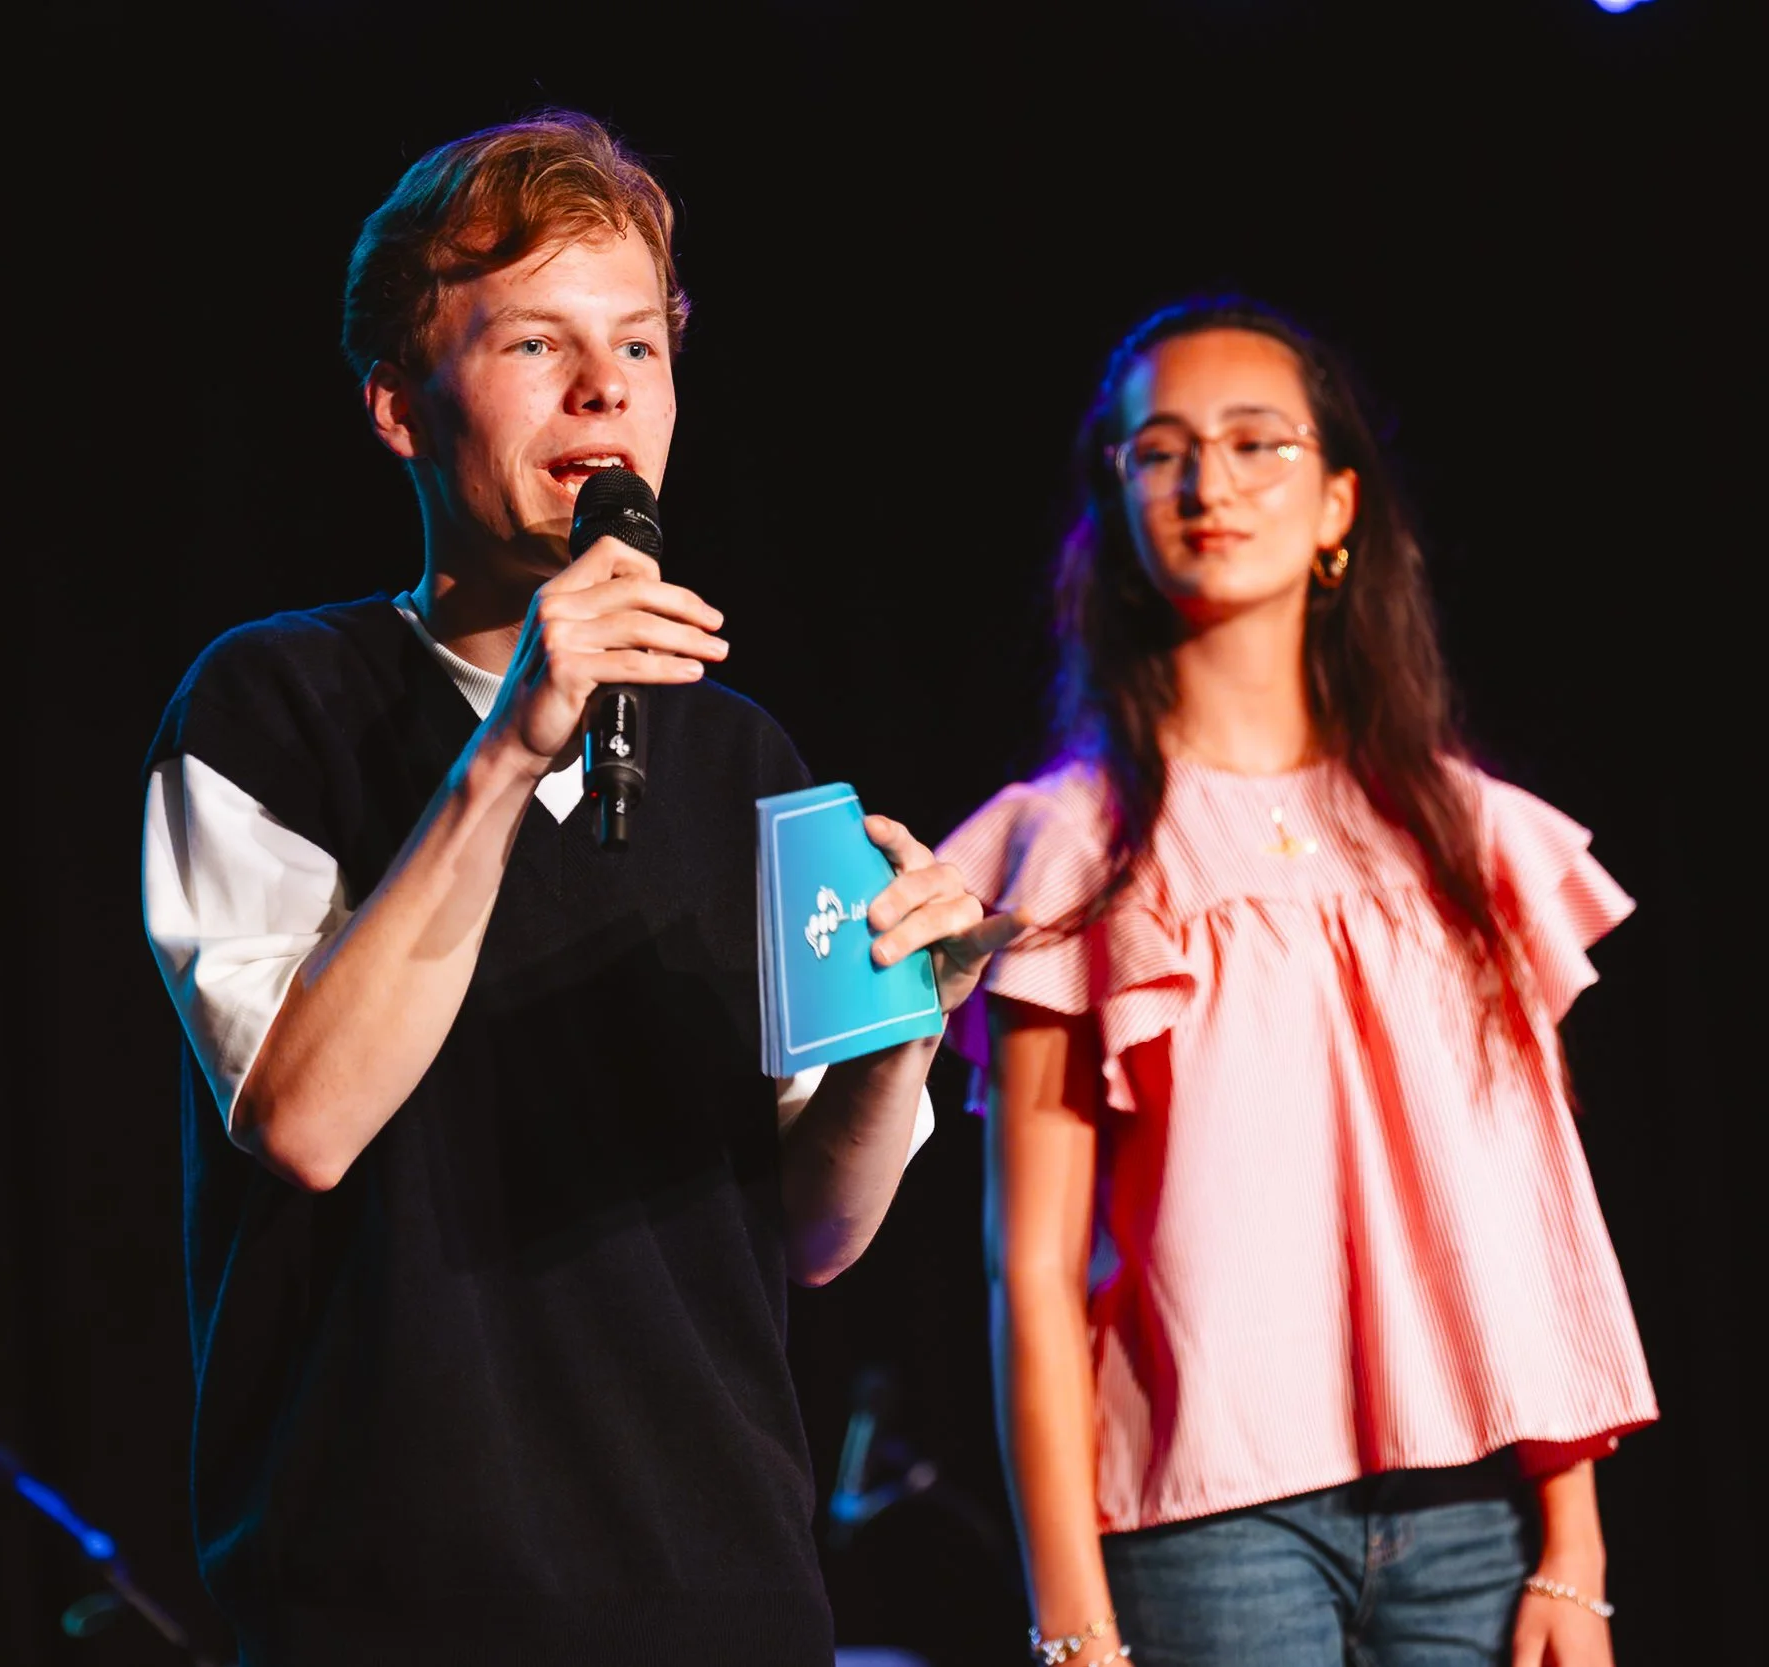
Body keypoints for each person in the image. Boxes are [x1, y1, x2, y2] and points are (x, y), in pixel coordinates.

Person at [139, 112, 1015, 1667]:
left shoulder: (747, 755)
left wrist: (904, 1033)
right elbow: (306, 1118)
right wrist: (509, 746)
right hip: (392, 1604)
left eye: (637, 347)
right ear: (401, 407)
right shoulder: (269, 707)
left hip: (725, 1594)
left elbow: (812, 1230)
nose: (604, 386)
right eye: (536, 340)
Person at [938, 297, 1657, 1667]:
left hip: (1473, 1510)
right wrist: (1072, 1624)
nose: (1209, 481)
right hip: (1210, 1524)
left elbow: (1527, 1217)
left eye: (1257, 441)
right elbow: (1028, 1267)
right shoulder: (1067, 846)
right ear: (1119, 501)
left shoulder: (1466, 834)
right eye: (1161, 449)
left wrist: (1576, 1543)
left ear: (1337, 504)